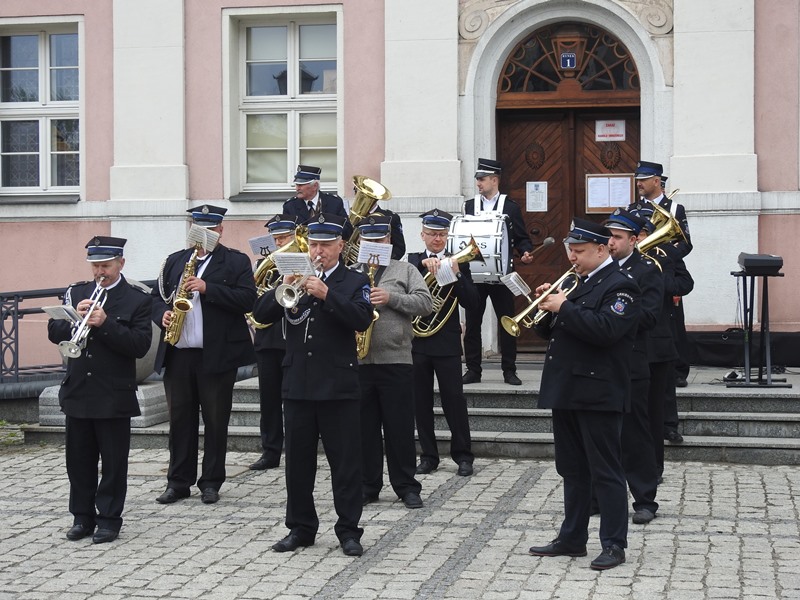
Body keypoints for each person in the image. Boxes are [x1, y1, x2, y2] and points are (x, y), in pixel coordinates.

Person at [251, 213, 373, 557]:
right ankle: (301, 528)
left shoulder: (354, 280)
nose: (319, 251)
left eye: (326, 245)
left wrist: (327, 294)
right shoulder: (296, 278)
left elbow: (362, 318)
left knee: (345, 464)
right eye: (315, 245)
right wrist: (282, 286)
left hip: (338, 385)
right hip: (298, 384)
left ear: (340, 246)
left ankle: (349, 531)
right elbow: (261, 315)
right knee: (298, 464)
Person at [528, 218, 640, 571]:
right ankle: (572, 537)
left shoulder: (621, 285)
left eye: (579, 251)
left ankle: (614, 544)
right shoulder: (579, 282)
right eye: (570, 251)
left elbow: (606, 330)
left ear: (602, 249)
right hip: (567, 388)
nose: (572, 257)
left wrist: (564, 307)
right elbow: (555, 332)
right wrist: (547, 307)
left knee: (605, 471)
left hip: (598, 391)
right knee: (572, 469)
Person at [47, 236, 153, 544]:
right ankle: (82, 517)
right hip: (79, 390)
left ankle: (109, 519)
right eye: (95, 266)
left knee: (113, 463)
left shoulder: (136, 299)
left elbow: (139, 345)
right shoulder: (77, 292)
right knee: (78, 461)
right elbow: (53, 330)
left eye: (105, 266)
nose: (99, 272)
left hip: (113, 393)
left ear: (121, 263)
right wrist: (73, 320)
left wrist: (105, 323)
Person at [152, 205, 257, 505]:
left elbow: (247, 299)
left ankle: (211, 482)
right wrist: (162, 315)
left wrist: (208, 288)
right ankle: (178, 482)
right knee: (179, 421)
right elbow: (155, 298)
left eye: (211, 230)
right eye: (199, 229)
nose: (204, 235)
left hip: (217, 354)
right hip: (179, 354)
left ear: (220, 230)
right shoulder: (175, 260)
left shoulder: (235, 261)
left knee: (215, 420)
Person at [355, 216, 432, 509]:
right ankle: (368, 485)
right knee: (364, 429)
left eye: (380, 239)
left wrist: (391, 298)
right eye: (369, 240)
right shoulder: (352, 272)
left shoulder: (406, 269)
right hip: (360, 362)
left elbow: (425, 304)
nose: (375, 244)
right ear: (361, 242)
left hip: (396, 360)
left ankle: (406, 486)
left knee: (399, 428)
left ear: (388, 241)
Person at [408, 209, 480, 477]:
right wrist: (422, 268)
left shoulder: (458, 262)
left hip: (446, 341)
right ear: (422, 235)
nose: (437, 239)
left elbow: (472, 303)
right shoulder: (412, 262)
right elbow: (406, 297)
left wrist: (457, 274)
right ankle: (428, 456)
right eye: (432, 234)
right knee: (421, 402)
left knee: (454, 400)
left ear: (447, 236)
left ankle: (463, 456)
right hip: (418, 342)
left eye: (441, 234)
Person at [604, 209, 663, 524]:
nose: (611, 242)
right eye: (609, 237)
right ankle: (599, 497)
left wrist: (616, 313)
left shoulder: (647, 270)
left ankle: (645, 500)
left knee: (635, 434)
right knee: (600, 434)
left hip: (631, 363)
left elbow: (650, 316)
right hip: (600, 362)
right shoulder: (601, 268)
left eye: (617, 237)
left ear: (634, 240)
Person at [462, 158, 535, 386]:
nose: (478, 183)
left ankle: (509, 370)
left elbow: (521, 238)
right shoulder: (469, 206)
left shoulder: (510, 207)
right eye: (477, 179)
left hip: (502, 274)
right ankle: (473, 370)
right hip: (475, 274)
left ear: (495, 180)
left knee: (507, 322)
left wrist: (526, 251)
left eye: (482, 179)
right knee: (472, 324)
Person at [249, 214, 301, 471]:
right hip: (268, 340)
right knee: (268, 400)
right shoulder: (263, 266)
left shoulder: (304, 265)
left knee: (296, 400)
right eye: (276, 239)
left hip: (295, 340)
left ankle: (297, 450)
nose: (280, 243)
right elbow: (254, 301)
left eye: (285, 238)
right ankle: (270, 451)